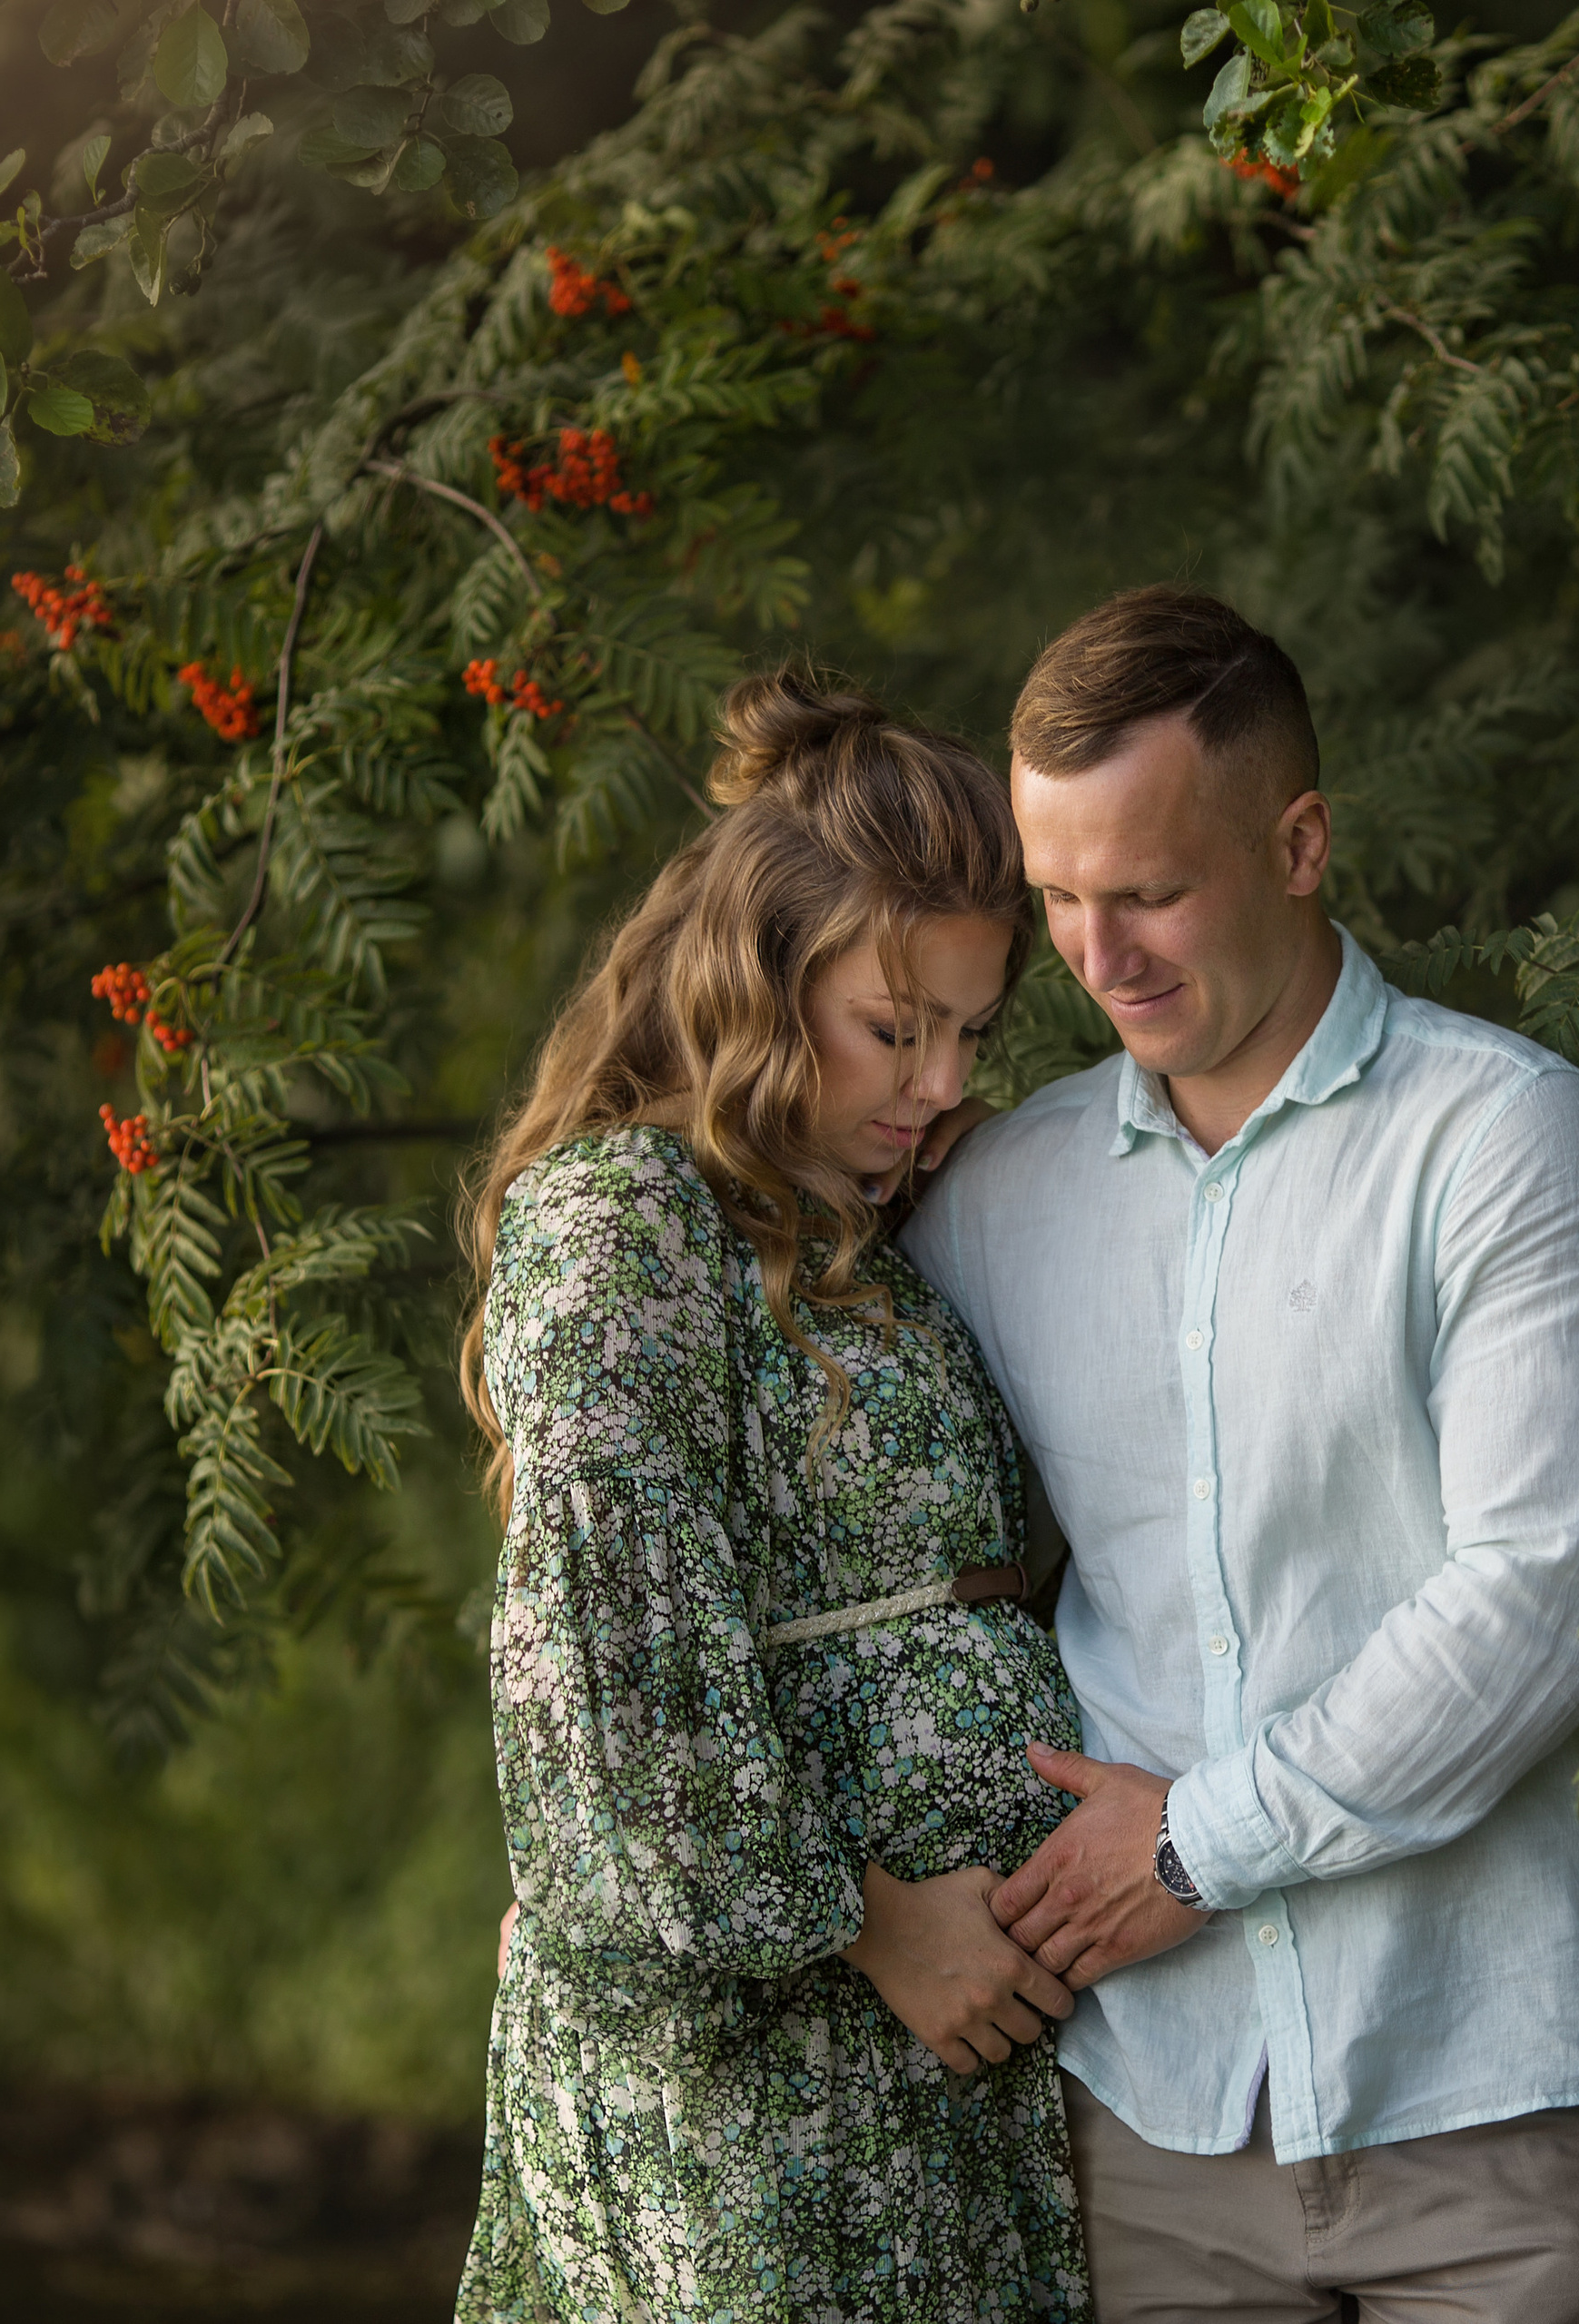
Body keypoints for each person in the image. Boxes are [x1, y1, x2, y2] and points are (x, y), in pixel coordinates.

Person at [899, 587, 1579, 2322]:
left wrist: (1197, 1846)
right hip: (1146, 2119)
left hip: (1492, 2094)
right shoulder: (993, 1198)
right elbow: (832, 1535)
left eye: (1154, 891)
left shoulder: (1503, 1145)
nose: (1100, 960)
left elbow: (1547, 1601)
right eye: (1060, 902)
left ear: (1302, 840)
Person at [454, 671, 1090, 2323]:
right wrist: (873, 1926)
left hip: (926, 2086)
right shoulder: (624, 1232)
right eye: (899, 1028)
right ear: (757, 972)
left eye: (971, 1030)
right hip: (763, 2091)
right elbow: (598, 1698)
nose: (942, 1080)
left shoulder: (852, 1227)